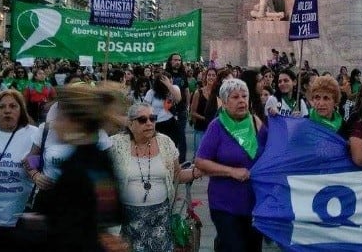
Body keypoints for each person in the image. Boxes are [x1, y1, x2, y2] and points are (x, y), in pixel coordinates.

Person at [40, 84, 126, 252]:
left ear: (75, 122)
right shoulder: (94, 158)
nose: (54, 123)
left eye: (59, 116)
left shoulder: (82, 168)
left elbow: (71, 231)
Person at [110, 102, 202, 252]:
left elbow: (177, 174)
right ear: (131, 123)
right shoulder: (116, 144)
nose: (149, 123)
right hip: (128, 222)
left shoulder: (165, 143)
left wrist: (195, 173)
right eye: (142, 120)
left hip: (161, 220)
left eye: (152, 119)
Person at [195, 79, 267, 252]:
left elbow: (271, 150)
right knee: (233, 247)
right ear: (225, 102)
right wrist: (231, 171)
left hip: (254, 203)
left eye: (244, 96)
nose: (241, 100)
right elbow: (200, 161)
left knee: (253, 248)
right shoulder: (217, 126)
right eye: (235, 97)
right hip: (225, 204)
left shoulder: (255, 121)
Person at [0, 90, 37, 230]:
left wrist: (31, 164)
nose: (7, 111)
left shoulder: (35, 135)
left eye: (13, 106)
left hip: (21, 219)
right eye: (1, 107)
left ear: (21, 110)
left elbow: (40, 171)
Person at [143, 70, 181, 149]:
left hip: (170, 123)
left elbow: (178, 99)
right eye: (164, 80)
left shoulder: (173, 89)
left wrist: (169, 85)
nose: (169, 81)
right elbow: (145, 108)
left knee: (171, 148)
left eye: (169, 79)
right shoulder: (151, 93)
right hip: (157, 125)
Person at [164, 54, 189, 164]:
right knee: (169, 136)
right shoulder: (165, 75)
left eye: (179, 60)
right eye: (175, 60)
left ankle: (182, 161)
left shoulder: (183, 75)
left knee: (181, 135)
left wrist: (187, 106)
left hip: (181, 110)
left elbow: (187, 91)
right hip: (168, 110)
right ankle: (170, 160)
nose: (177, 62)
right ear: (170, 61)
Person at [190, 67, 216, 151]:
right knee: (199, 154)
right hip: (201, 129)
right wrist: (205, 119)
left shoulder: (219, 93)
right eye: (209, 75)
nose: (211, 77)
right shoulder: (198, 92)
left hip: (214, 130)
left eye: (213, 75)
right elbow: (192, 112)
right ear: (205, 77)